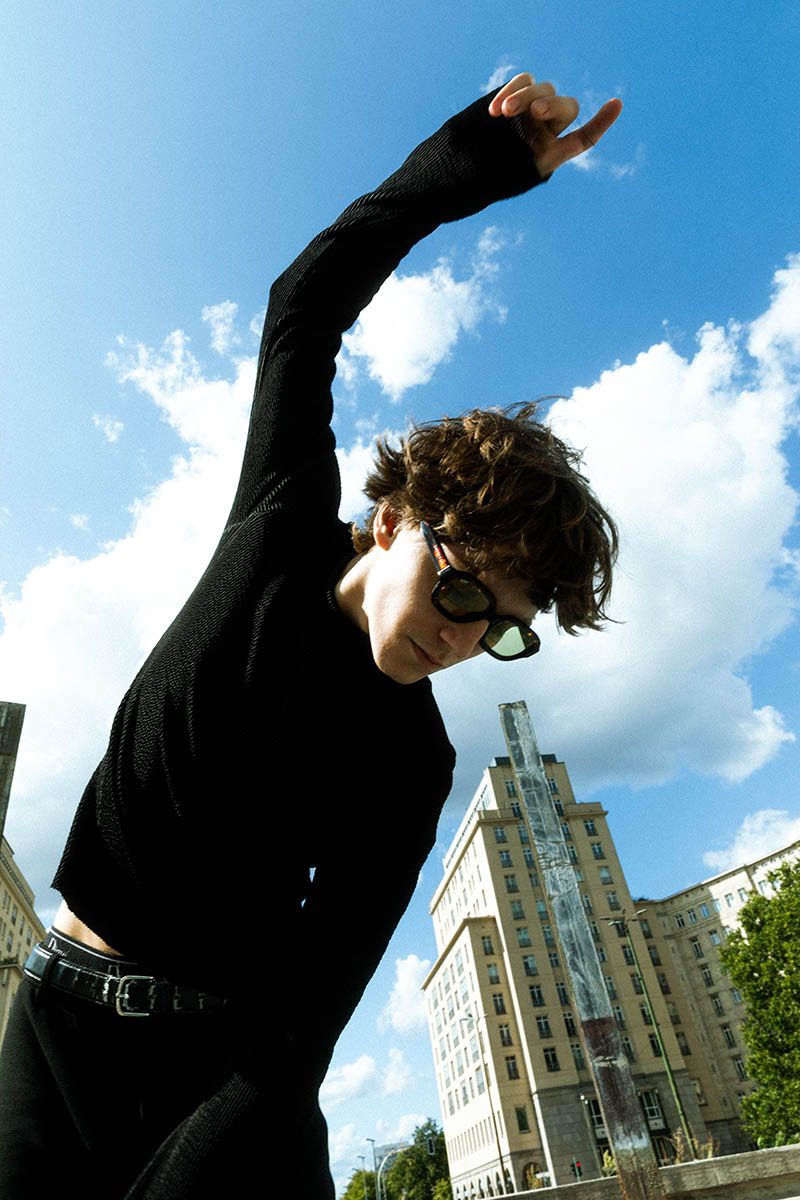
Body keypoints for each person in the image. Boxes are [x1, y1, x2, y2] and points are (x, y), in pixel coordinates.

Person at [0, 73, 621, 1198]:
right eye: (464, 590)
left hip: (234, 1078)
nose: (467, 639)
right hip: (55, 1029)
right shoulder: (279, 528)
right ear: (389, 522)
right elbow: (308, 298)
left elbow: (301, 1023)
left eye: (506, 630)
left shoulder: (411, 762)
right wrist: (471, 164)